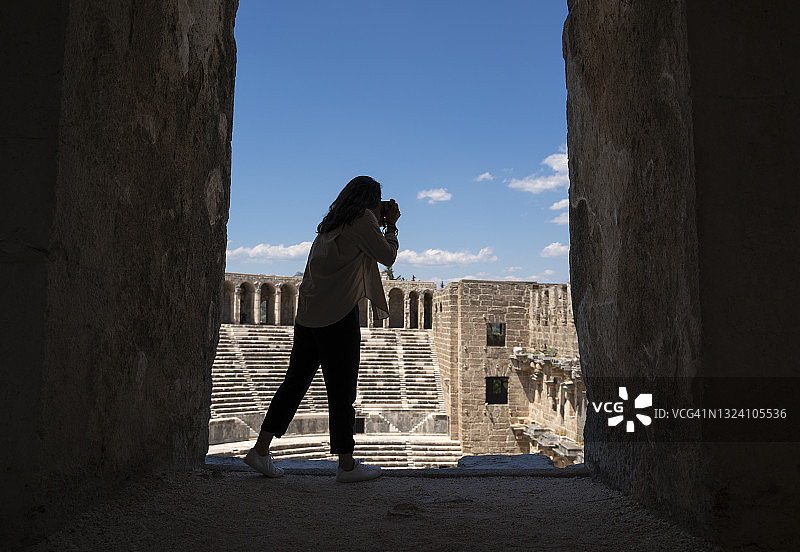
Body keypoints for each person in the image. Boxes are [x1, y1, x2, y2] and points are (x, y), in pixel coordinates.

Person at [244, 176, 401, 483]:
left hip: (308, 315)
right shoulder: (362, 219)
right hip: (338, 315)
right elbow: (387, 255)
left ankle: (260, 450)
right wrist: (392, 226)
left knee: (294, 383)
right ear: (370, 200)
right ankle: (346, 464)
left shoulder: (330, 225)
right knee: (342, 391)